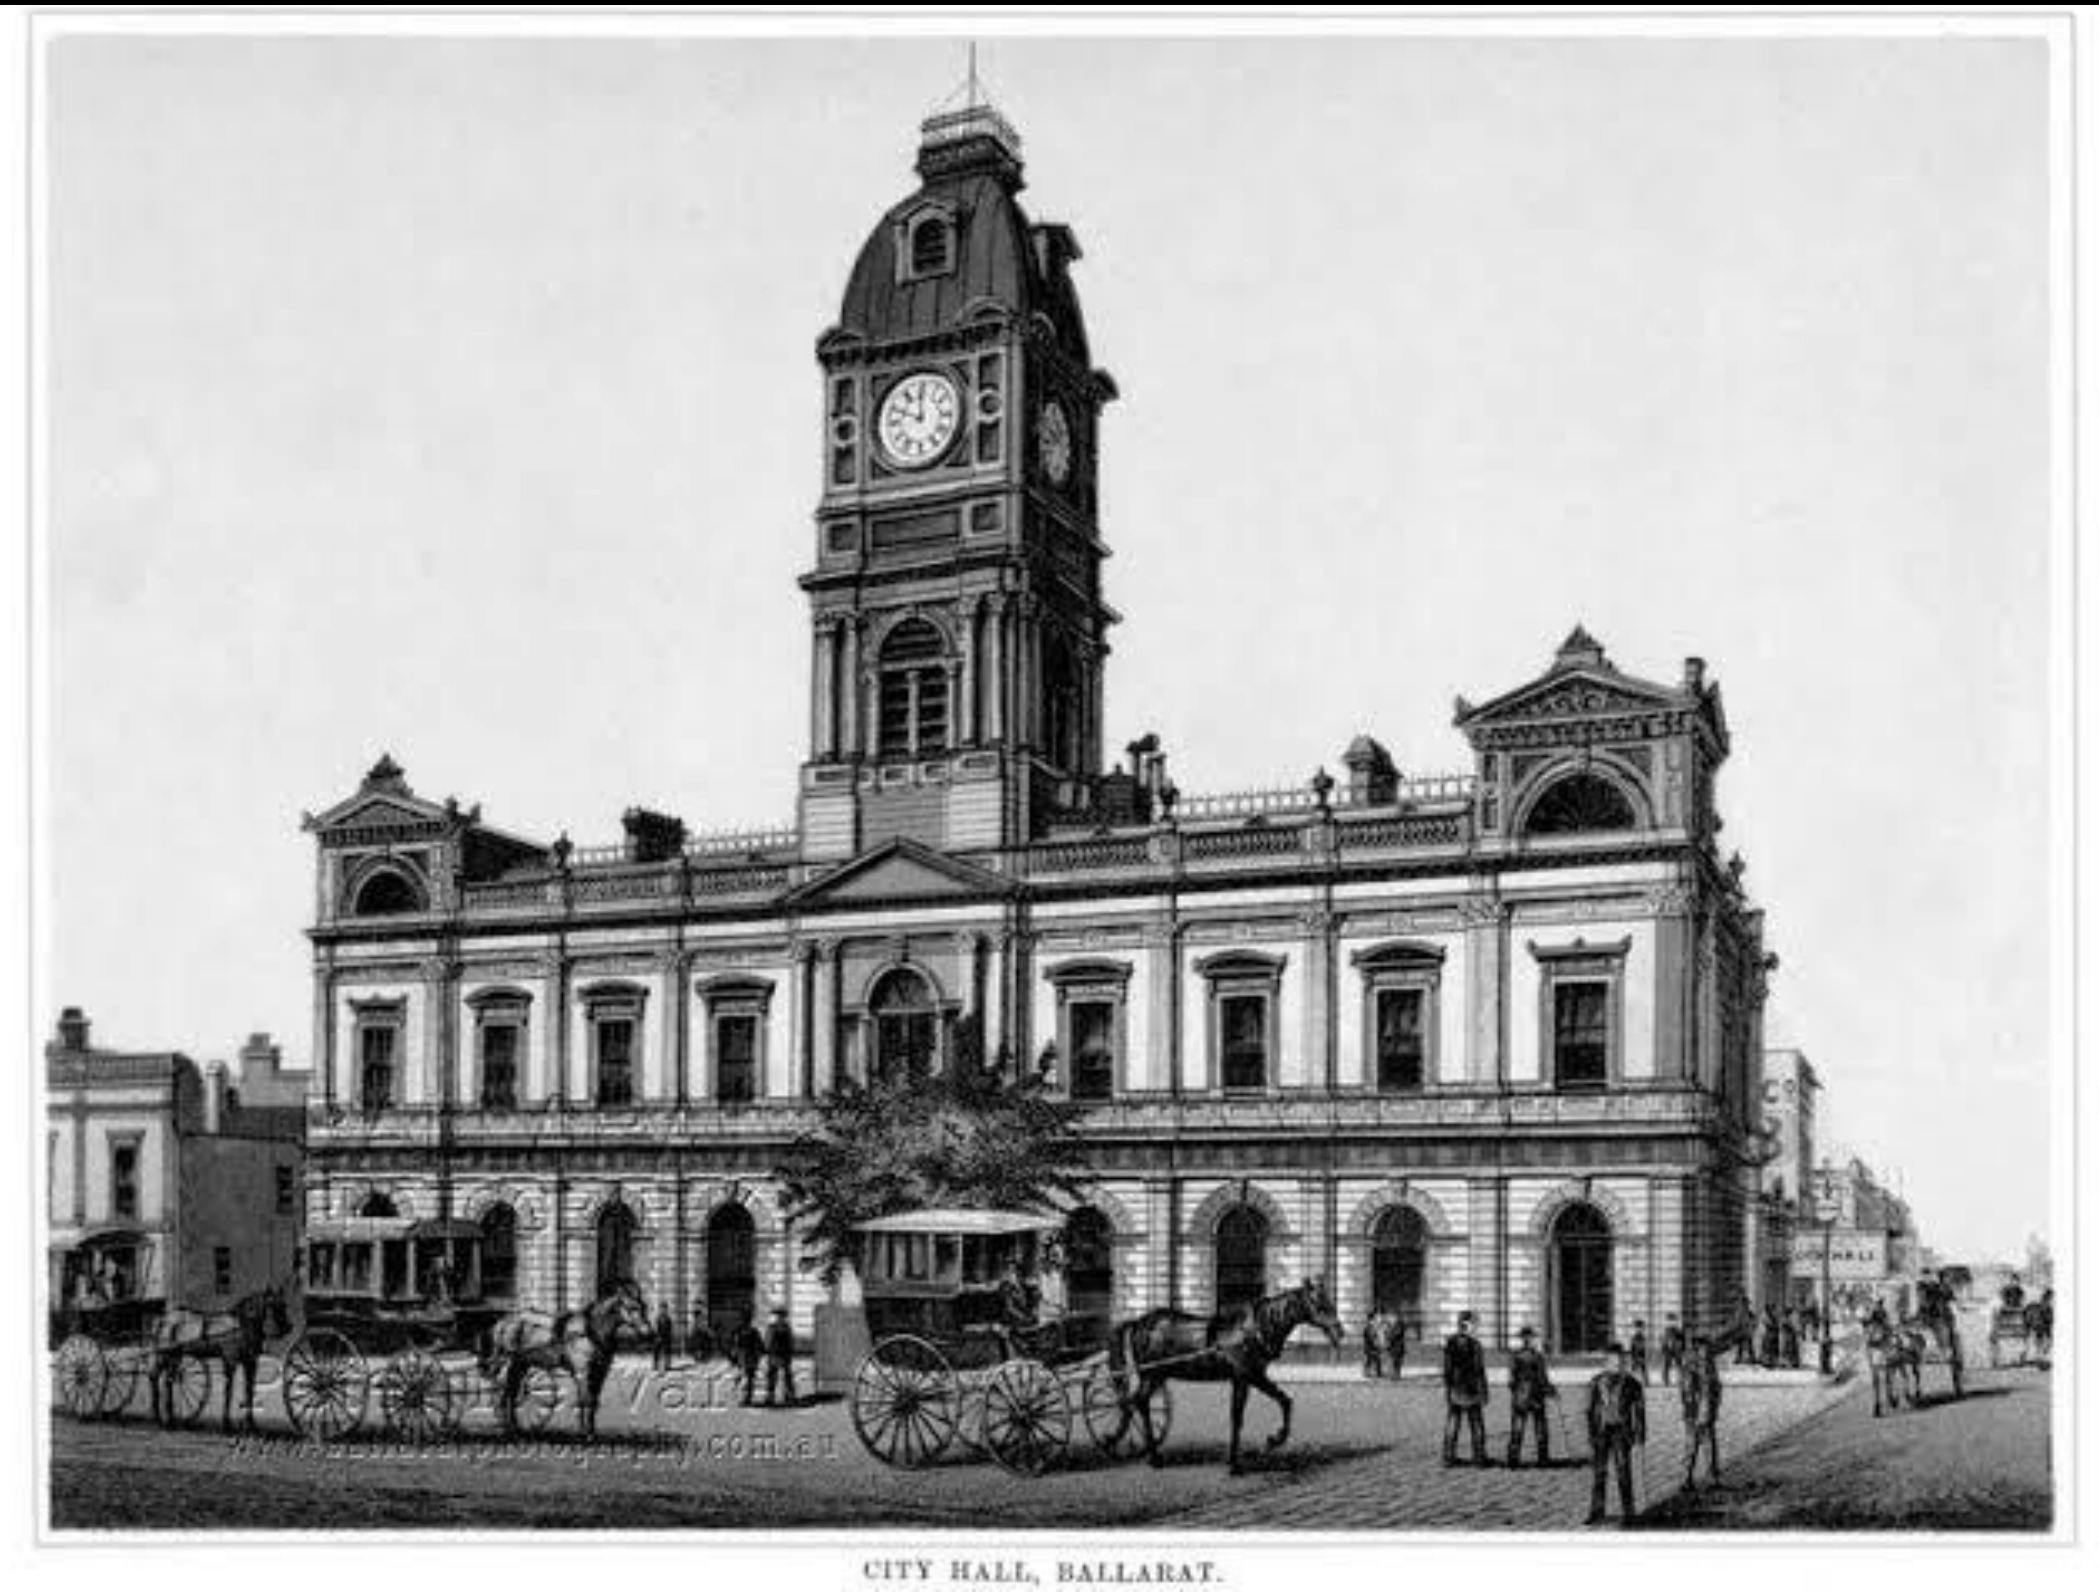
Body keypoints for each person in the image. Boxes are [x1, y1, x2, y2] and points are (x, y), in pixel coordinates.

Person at [1585, 1341, 1647, 1527]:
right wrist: (1591, 1433)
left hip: (1622, 1432)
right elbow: (1589, 1410)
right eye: (1613, 1361)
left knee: (1623, 1472)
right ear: (1606, 1363)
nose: (1617, 1365)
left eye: (1620, 1361)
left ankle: (1628, 1513)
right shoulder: (1596, 1383)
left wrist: (1641, 1433)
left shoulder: (1632, 1384)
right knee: (1599, 1473)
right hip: (1602, 1432)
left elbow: (1640, 1411)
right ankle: (1597, 1511)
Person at [1441, 1310, 1489, 1467]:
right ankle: (1479, 1457)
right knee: (1476, 1423)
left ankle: (1448, 1456)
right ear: (1466, 1324)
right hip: (1471, 1388)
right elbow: (1479, 1370)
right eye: (1474, 1323)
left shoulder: (1451, 1342)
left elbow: (1447, 1369)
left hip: (1455, 1387)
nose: (1477, 1327)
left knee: (1453, 1422)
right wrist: (1484, 1391)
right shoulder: (1475, 1345)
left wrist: (1448, 1387)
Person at [1506, 1325, 1556, 1468]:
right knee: (1540, 1428)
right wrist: (1550, 1390)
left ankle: (1513, 1459)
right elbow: (1542, 1378)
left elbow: (1511, 1380)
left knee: (1517, 1428)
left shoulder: (1515, 1356)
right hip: (1536, 1395)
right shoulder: (1538, 1357)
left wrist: (1517, 1390)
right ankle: (1542, 1459)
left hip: (1520, 1396)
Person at [1680, 1334, 1722, 1490]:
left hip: (1708, 1411)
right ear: (1697, 1349)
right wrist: (1696, 1413)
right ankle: (1687, 1479)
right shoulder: (1690, 1367)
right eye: (1703, 1348)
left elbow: (1716, 1388)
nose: (1706, 1351)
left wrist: (1714, 1406)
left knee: (1709, 1445)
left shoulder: (1709, 1365)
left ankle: (1712, 1478)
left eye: (1707, 1349)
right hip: (1694, 1413)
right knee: (1691, 1446)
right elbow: (1687, 1392)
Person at [763, 1306, 799, 1407]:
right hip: (780, 1355)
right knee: (780, 1376)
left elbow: (768, 1341)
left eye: (781, 1316)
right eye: (780, 1316)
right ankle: (786, 1395)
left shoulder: (774, 1327)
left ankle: (775, 1395)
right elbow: (791, 1341)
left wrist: (767, 1350)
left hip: (778, 1354)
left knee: (777, 1376)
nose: (780, 1318)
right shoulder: (785, 1327)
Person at [731, 1305, 764, 1406]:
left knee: (744, 1378)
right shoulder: (752, 1331)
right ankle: (745, 1397)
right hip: (748, 1357)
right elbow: (760, 1345)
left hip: (746, 1357)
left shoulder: (740, 1330)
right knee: (747, 1378)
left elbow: (734, 1345)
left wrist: (733, 1357)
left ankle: (744, 1397)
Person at [1660, 1313, 1687, 1386]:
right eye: (1670, 1321)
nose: (1671, 1323)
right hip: (1669, 1352)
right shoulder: (1666, 1332)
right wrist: (1663, 1351)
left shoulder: (1679, 1332)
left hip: (1677, 1351)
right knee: (1666, 1365)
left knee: (1679, 1365)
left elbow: (1683, 1342)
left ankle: (1681, 1379)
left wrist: (1683, 1351)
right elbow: (1664, 1343)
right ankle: (1665, 1380)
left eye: (1673, 1321)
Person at [1383, 1309, 1409, 1381]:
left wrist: (1388, 1333)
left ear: (1394, 1317)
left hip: (1397, 1347)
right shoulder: (1393, 1325)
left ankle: (1395, 1375)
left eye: (1390, 1317)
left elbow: (1395, 1335)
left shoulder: (1398, 1325)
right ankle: (1394, 1375)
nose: (1388, 1319)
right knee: (1394, 1362)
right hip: (1394, 1347)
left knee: (1396, 1362)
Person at [1362, 1310, 1385, 1379]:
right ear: (1372, 1319)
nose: (1377, 1319)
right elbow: (1372, 1337)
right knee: (1371, 1360)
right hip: (1370, 1347)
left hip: (1371, 1347)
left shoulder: (1372, 1327)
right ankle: (1369, 1372)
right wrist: (1377, 1344)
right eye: (1376, 1318)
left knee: (1375, 1360)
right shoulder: (1369, 1327)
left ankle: (1376, 1372)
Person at [652, 1302, 675, 1372]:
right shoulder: (657, 1318)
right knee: (656, 1350)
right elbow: (655, 1328)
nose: (663, 1310)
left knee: (667, 1350)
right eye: (661, 1308)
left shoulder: (668, 1319)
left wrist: (670, 1335)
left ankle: (667, 1364)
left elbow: (670, 1328)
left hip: (666, 1337)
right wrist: (657, 1336)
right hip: (659, 1336)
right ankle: (655, 1364)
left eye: (664, 1309)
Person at [1628, 1318, 1650, 1382]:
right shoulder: (1634, 1338)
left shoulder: (1642, 1337)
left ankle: (1645, 1381)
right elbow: (1632, 1348)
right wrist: (1633, 1357)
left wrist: (1643, 1356)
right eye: (1637, 1328)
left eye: (1640, 1328)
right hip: (1635, 1355)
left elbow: (1644, 1348)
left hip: (1641, 1354)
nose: (1639, 1329)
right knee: (1634, 1368)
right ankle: (1633, 1380)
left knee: (1643, 1368)